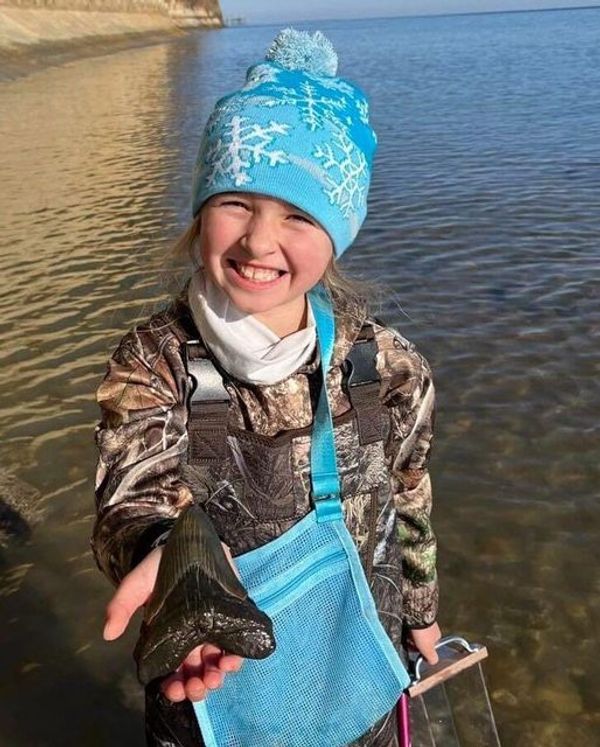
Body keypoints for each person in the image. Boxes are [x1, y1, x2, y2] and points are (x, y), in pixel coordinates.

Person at [91, 27, 441, 747]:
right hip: (208, 671)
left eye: (298, 215)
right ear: (199, 212)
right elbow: (134, 496)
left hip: (359, 667)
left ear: (339, 233)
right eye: (236, 203)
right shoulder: (155, 359)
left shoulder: (384, 364)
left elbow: (409, 490)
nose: (258, 241)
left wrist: (423, 610)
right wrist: (178, 569)